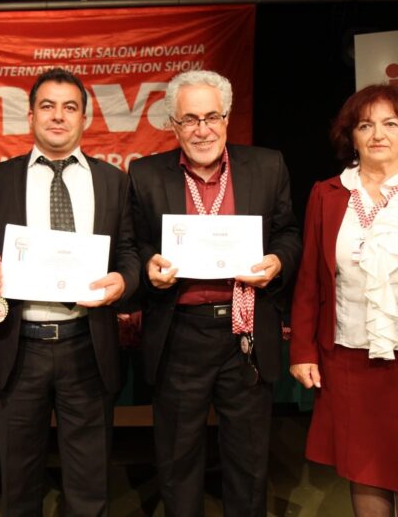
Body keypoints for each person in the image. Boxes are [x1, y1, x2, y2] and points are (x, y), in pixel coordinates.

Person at [128, 69, 301, 517]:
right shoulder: (145, 175)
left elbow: (288, 233)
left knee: (248, 461)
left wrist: (277, 261)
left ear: (227, 118)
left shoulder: (268, 166)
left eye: (211, 117)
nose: (201, 129)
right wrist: (148, 265)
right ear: (173, 124)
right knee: (177, 459)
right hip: (179, 333)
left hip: (245, 333)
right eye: (189, 119)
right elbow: (135, 242)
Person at [0, 67, 139, 515]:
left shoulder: (113, 181)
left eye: (70, 107)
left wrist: (123, 281)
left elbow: (128, 253)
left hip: (87, 345)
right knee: (19, 483)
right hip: (18, 346)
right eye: (47, 106)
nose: (58, 116)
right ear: (30, 116)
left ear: (85, 118)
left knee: (89, 484)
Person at [290, 84, 398, 516]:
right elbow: (310, 280)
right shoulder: (328, 193)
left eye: (391, 124)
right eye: (365, 125)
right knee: (365, 467)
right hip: (350, 357)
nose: (378, 134)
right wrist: (302, 351)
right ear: (351, 136)